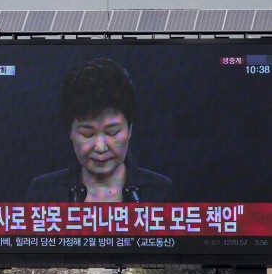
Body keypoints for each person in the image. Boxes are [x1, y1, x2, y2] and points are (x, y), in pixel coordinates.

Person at [26, 58, 172, 203]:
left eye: (112, 132)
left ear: (130, 130)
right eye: (87, 134)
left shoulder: (161, 191)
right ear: (70, 132)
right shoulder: (43, 192)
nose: (100, 147)